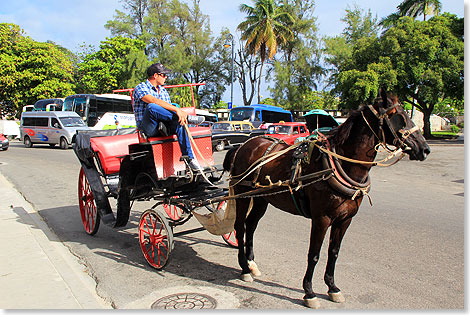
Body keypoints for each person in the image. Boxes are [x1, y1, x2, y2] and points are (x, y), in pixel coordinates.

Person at [133, 63, 204, 171]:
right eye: (163, 75)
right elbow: (153, 101)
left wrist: (177, 111)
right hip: (149, 127)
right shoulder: (140, 87)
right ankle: (188, 119)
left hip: (164, 125)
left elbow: (167, 109)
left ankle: (189, 159)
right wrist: (177, 110)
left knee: (179, 120)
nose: (166, 77)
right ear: (155, 75)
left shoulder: (163, 90)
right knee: (152, 107)